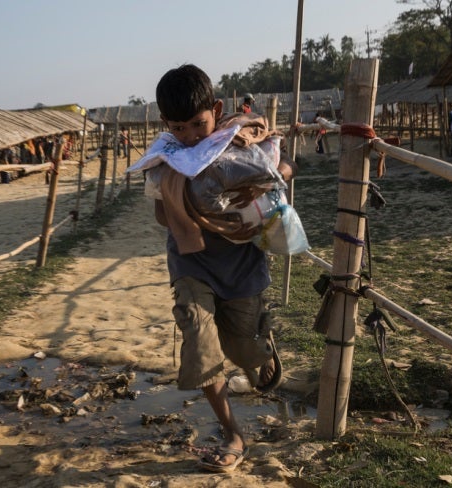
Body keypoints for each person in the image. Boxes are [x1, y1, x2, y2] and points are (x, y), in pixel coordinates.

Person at [150, 64, 296, 473]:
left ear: (215, 109)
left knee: (241, 348)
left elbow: (284, 169)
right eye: (179, 128)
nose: (191, 136)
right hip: (190, 261)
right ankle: (233, 435)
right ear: (166, 124)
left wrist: (265, 183)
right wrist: (192, 206)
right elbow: (162, 217)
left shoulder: (243, 141)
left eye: (198, 124)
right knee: (200, 344)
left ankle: (261, 352)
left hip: (241, 263)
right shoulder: (167, 158)